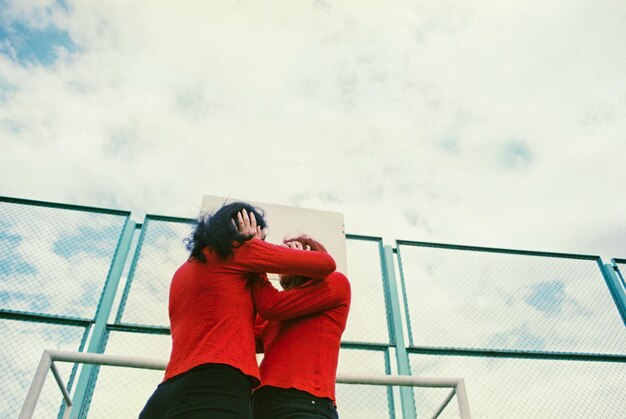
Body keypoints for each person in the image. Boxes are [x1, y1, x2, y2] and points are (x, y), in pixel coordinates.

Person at [139, 202, 336, 419]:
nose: (263, 246)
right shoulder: (242, 249)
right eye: (262, 240)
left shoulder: (185, 270)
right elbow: (326, 264)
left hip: (168, 390)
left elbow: (244, 329)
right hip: (215, 386)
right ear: (248, 228)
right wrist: (261, 253)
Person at [251, 237, 351, 419]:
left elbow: (272, 306)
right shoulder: (279, 308)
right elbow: (247, 336)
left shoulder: (336, 283)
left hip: (305, 400)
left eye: (291, 252)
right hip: (261, 400)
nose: (285, 257)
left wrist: (256, 266)